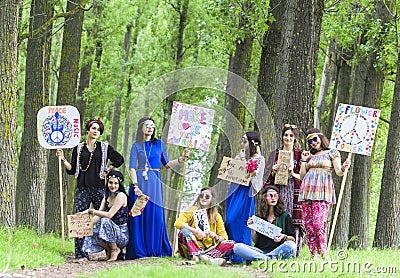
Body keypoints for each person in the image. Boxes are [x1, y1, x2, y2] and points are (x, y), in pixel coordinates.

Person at [56, 118, 124, 259]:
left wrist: (108, 169)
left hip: (99, 188)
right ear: (87, 130)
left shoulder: (104, 147)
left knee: (103, 217)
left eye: (98, 130)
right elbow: (72, 169)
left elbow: (119, 159)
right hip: (82, 188)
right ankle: (80, 254)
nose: (96, 131)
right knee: (80, 219)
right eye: (93, 128)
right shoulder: (79, 148)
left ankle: (111, 250)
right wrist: (62, 159)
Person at [126, 117, 189, 259]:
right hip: (140, 183)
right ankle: (139, 250)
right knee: (139, 216)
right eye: (147, 125)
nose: (150, 128)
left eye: (152, 126)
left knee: (156, 215)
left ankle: (156, 248)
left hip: (155, 183)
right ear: (141, 127)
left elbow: (166, 164)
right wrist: (135, 186)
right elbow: (131, 168)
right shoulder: (136, 146)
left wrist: (181, 159)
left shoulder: (159, 144)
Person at [299, 128, 351, 257]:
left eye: (314, 139)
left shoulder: (332, 152)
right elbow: (302, 176)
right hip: (307, 191)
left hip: (322, 192)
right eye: (310, 141)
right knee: (309, 225)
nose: (313, 142)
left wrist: (344, 167)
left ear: (321, 138)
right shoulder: (310, 156)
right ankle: (313, 254)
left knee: (318, 224)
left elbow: (339, 172)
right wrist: (304, 161)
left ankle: (323, 252)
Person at [225, 131, 265, 263]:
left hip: (245, 193)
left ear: (252, 143)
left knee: (241, 223)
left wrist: (243, 159)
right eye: (242, 140)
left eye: (245, 141)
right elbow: (230, 172)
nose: (242, 143)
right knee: (229, 221)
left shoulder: (259, 159)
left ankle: (242, 256)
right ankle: (230, 253)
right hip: (234, 191)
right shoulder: (239, 156)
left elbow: (253, 177)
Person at [264, 124, 304, 257]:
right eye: (286, 135)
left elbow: (305, 177)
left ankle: (294, 252)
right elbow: (266, 178)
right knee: (279, 216)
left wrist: (293, 173)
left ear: (295, 138)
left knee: (293, 220)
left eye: (291, 135)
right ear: (282, 137)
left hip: (295, 190)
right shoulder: (274, 154)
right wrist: (273, 171)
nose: (288, 138)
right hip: (279, 189)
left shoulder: (300, 155)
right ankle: (275, 251)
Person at [233, 185, 296, 262]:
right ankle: (268, 259)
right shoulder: (259, 217)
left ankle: (264, 258)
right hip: (260, 251)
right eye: (270, 195)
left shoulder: (285, 216)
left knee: (291, 246)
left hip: (278, 251)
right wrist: (252, 228)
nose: (273, 198)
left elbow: (292, 239)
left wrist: (283, 236)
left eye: (275, 195)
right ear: (265, 198)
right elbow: (256, 241)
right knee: (237, 247)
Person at [174, 187, 235, 266]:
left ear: (212, 199)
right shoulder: (193, 210)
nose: (203, 198)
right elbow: (178, 223)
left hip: (208, 249)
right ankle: (203, 258)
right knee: (183, 232)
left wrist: (216, 237)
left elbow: (224, 236)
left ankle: (200, 258)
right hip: (191, 248)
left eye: (207, 196)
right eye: (201, 196)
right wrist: (195, 231)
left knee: (231, 243)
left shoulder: (217, 216)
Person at [80, 170, 129, 261]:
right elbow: (98, 216)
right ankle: (109, 249)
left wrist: (91, 211)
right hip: (110, 233)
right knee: (89, 231)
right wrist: (84, 224)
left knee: (105, 221)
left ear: (119, 184)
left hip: (121, 235)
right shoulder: (106, 197)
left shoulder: (121, 196)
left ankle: (115, 249)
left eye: (116, 183)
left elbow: (109, 215)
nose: (113, 186)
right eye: (110, 182)